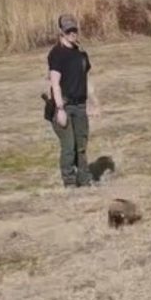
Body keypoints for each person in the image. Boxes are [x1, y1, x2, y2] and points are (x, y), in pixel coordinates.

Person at [46, 14, 101, 187]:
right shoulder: (56, 54)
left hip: (80, 106)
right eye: (68, 30)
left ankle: (84, 179)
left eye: (74, 29)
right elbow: (55, 83)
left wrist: (95, 102)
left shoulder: (81, 54)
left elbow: (87, 80)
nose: (72, 33)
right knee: (69, 147)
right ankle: (69, 182)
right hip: (64, 106)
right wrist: (60, 109)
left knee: (81, 146)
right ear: (61, 32)